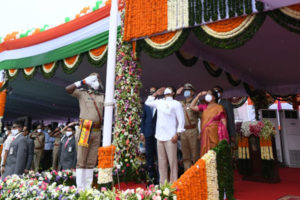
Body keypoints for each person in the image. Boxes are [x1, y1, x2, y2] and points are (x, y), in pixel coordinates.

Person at [66, 73, 104, 191]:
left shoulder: (103, 96)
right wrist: (82, 81)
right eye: (93, 78)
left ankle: (87, 188)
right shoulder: (82, 93)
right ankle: (80, 188)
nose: (95, 80)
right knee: (82, 159)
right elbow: (68, 89)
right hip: (85, 129)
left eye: (97, 78)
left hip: (97, 130)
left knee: (91, 160)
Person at [145, 87, 185, 184]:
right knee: (161, 162)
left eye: (169, 89)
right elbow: (147, 102)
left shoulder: (176, 103)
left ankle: (173, 183)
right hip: (159, 136)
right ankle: (163, 184)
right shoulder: (159, 102)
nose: (166, 90)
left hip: (171, 137)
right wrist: (156, 94)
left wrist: (177, 133)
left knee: (172, 162)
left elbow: (181, 120)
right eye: (166, 89)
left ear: (173, 93)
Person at [190, 89, 229, 157]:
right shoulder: (204, 106)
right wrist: (199, 95)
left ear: (214, 97)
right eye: (206, 94)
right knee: (205, 151)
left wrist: (223, 135)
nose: (207, 95)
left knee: (215, 150)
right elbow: (192, 106)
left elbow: (224, 122)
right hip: (205, 133)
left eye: (209, 94)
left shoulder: (219, 107)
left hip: (215, 133)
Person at [176, 83, 201, 171]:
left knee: (195, 154)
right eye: (185, 90)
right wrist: (176, 94)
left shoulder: (196, 103)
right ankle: (188, 175)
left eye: (188, 90)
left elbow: (201, 118)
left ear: (193, 92)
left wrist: (200, 132)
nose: (186, 92)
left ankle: (197, 174)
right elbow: (170, 103)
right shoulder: (180, 103)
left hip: (193, 130)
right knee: (185, 155)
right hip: (183, 131)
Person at [140, 87, 158, 184]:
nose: (152, 93)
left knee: (159, 155)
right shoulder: (146, 104)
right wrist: (142, 132)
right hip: (148, 132)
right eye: (150, 91)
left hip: (158, 133)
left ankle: (159, 179)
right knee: (149, 155)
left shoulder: (160, 103)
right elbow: (143, 119)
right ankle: (151, 178)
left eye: (154, 91)